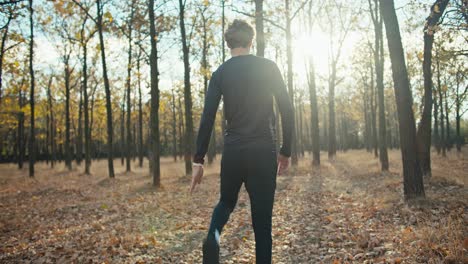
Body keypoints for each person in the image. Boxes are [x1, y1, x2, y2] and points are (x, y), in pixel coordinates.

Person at [190, 19, 294, 264]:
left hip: (234, 150)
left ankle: (213, 236)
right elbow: (287, 110)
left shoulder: (220, 73)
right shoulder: (269, 67)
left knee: (226, 202)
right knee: (262, 223)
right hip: (263, 151)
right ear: (251, 41)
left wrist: (198, 159)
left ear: (228, 44)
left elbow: (207, 117)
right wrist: (286, 150)